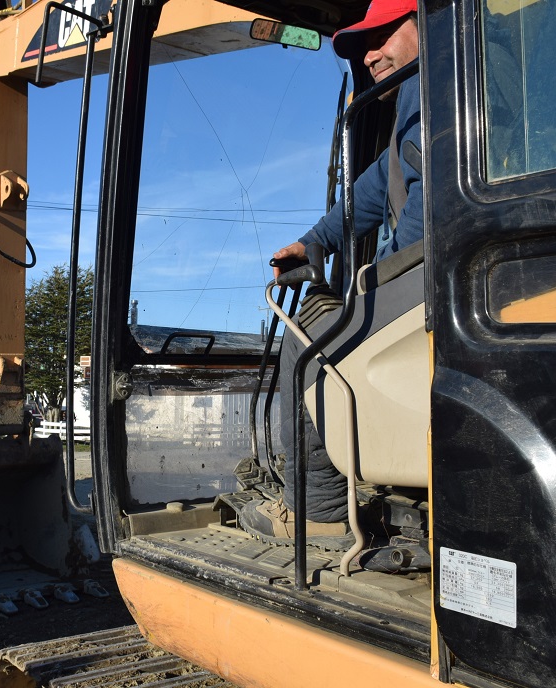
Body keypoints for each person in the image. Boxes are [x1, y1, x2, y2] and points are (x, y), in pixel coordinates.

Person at [239, 0, 423, 543]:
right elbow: (373, 185)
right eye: (362, 46)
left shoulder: (441, 98)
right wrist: (316, 241)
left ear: (432, 24)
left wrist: (370, 290)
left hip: (434, 287)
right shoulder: (425, 102)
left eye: (384, 35)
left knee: (306, 342)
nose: (369, 56)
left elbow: (424, 224)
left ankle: (318, 514)